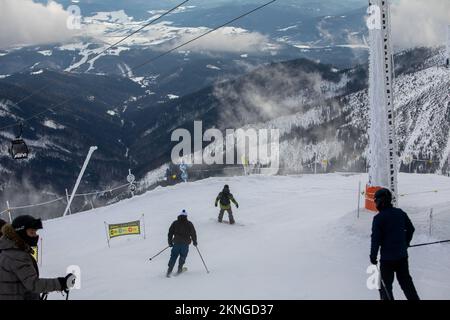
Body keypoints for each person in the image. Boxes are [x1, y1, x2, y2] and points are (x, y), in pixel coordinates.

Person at [0, 215, 75, 300]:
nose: (35, 236)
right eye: (32, 232)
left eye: (35, 232)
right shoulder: (17, 256)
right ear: (21, 233)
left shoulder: (8, 251)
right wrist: (61, 283)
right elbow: (34, 284)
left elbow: (20, 282)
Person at [370, 188, 420, 300]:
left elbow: (375, 240)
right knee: (406, 284)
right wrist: (405, 243)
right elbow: (411, 229)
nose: (375, 203)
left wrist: (373, 256)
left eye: (376, 201)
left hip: (387, 260)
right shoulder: (400, 213)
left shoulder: (378, 218)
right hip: (402, 257)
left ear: (381, 201)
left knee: (385, 287)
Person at [167, 210, 197, 277]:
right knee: (183, 256)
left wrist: (170, 242)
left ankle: (169, 271)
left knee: (173, 256)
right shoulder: (189, 223)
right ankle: (180, 269)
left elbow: (170, 233)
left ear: (180, 216)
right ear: (186, 216)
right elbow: (193, 233)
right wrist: (195, 241)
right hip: (185, 244)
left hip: (176, 243)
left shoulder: (175, 223)